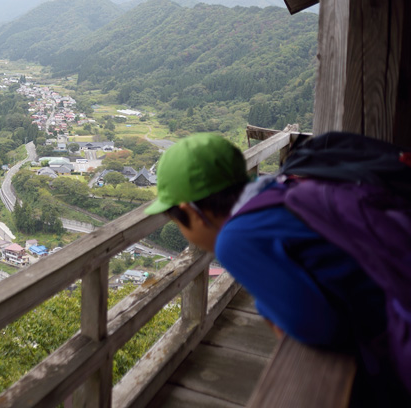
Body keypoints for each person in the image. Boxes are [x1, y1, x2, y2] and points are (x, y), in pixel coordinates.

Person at [144, 133, 409, 405]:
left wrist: (267, 308)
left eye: (177, 221)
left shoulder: (235, 239)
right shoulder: (278, 189)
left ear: (192, 211)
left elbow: (320, 328)